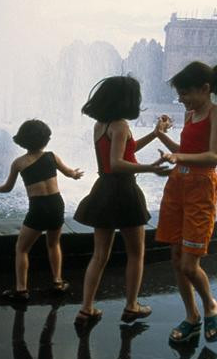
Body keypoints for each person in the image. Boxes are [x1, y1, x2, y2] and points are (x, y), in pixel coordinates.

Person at [73, 76, 171, 330]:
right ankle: (131, 305)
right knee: (136, 253)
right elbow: (118, 163)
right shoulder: (121, 124)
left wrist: (155, 134)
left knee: (99, 255)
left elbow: (127, 149)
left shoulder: (101, 125)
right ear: (127, 100)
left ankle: (86, 309)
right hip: (124, 191)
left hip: (103, 190)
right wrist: (151, 168)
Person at [154, 61, 217, 343]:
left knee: (191, 264)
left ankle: (210, 306)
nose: (181, 99)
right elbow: (185, 151)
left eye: (185, 93)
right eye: (180, 94)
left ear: (205, 88)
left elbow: (213, 156)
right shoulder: (191, 114)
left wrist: (179, 158)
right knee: (177, 259)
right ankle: (191, 316)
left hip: (201, 188)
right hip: (177, 186)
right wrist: (161, 136)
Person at [0, 119, 83, 301]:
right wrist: (76, 175)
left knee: (22, 249)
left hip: (38, 207)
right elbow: (70, 173)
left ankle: (21, 290)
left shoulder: (19, 163)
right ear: (45, 139)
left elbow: (8, 188)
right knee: (53, 244)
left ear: (22, 139)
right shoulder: (52, 157)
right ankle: (58, 282)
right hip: (56, 204)